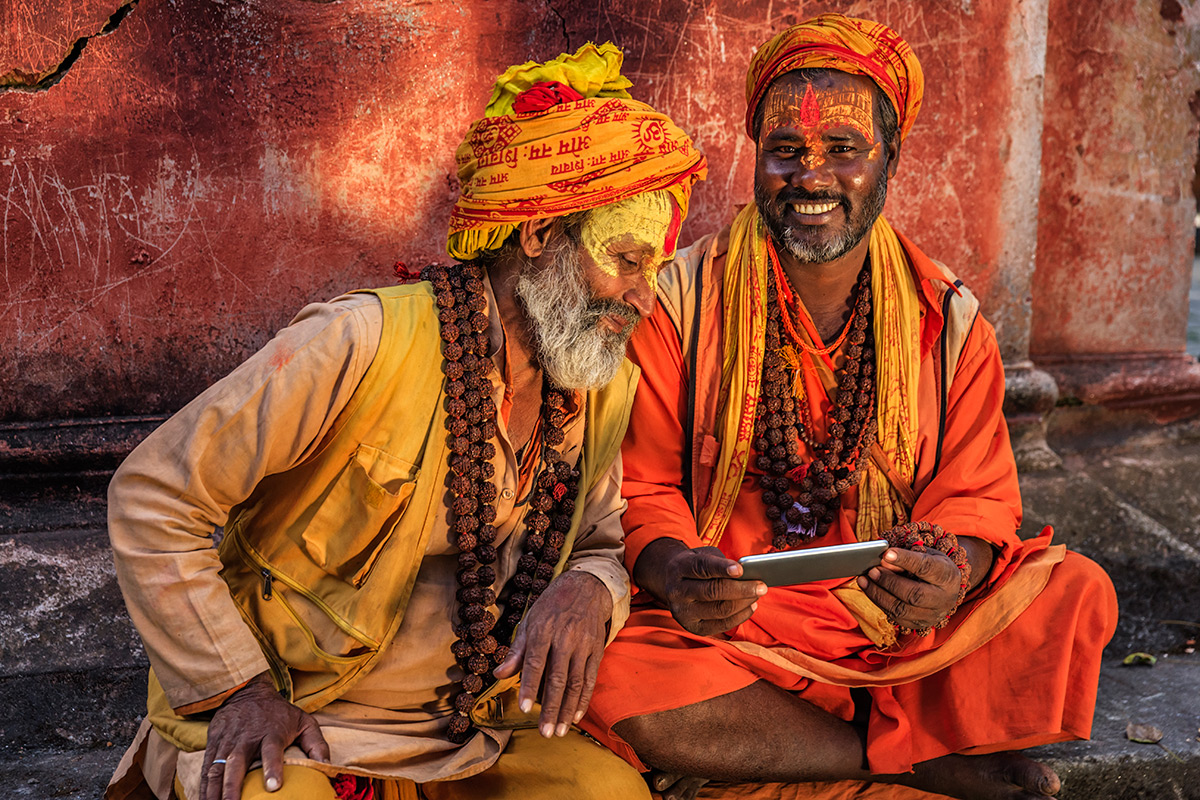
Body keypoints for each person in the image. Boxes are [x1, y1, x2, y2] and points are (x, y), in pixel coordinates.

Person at [104, 42, 706, 800]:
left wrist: (592, 589)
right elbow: (154, 495)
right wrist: (239, 689)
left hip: (464, 738)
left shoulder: (597, 382)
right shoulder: (359, 341)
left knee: (610, 793)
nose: (644, 298)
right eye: (625, 260)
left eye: (655, 269)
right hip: (301, 726)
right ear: (538, 237)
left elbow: (602, 542)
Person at [580, 15, 1117, 800]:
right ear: (756, 160)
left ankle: (799, 743)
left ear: (889, 159)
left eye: (844, 150)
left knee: (1074, 594)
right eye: (786, 152)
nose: (812, 178)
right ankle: (918, 760)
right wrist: (676, 572)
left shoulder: (951, 322)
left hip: (894, 625)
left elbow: (976, 500)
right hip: (736, 624)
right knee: (613, 666)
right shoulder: (676, 304)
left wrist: (951, 573)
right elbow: (646, 488)